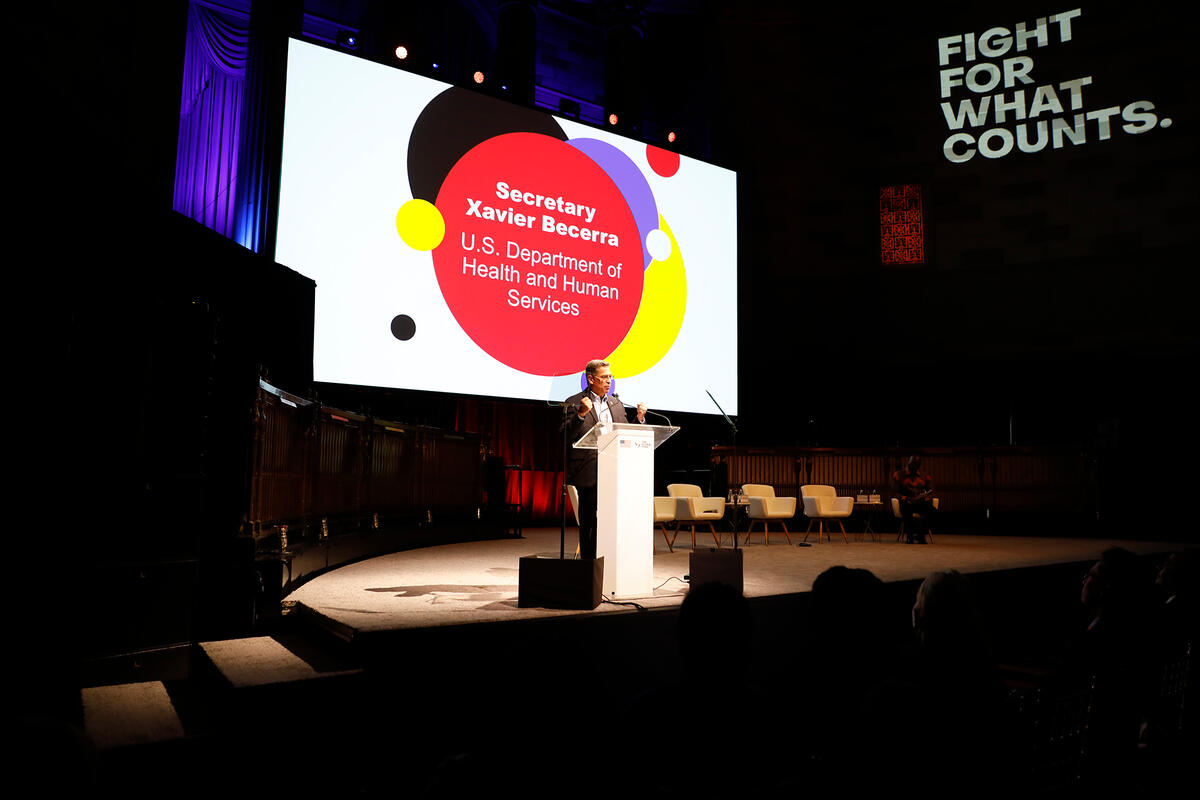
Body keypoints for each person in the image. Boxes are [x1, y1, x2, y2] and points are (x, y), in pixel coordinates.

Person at [562, 359, 647, 560]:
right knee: (589, 524)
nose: (609, 381)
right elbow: (564, 434)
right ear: (591, 379)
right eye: (604, 377)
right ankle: (588, 566)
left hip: (615, 469)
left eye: (610, 377)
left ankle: (611, 563)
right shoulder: (574, 401)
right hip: (588, 471)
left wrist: (640, 419)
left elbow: (626, 432)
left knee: (613, 521)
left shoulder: (616, 404)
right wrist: (581, 415)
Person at [892, 454, 936, 543]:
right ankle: (910, 536)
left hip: (920, 502)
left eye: (917, 464)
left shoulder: (924, 476)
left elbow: (930, 490)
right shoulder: (899, 475)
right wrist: (903, 497)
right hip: (907, 502)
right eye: (913, 464)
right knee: (907, 509)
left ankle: (920, 535)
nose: (914, 466)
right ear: (909, 462)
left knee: (932, 510)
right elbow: (894, 492)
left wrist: (927, 497)